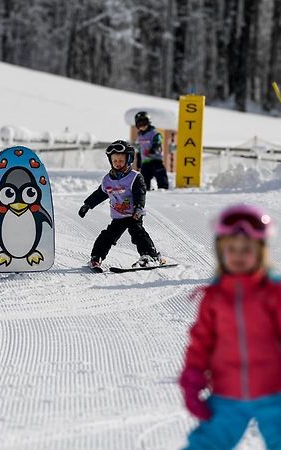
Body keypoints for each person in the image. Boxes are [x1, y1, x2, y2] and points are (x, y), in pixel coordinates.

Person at [179, 204, 281, 449]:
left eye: (246, 249)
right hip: (227, 394)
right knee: (206, 443)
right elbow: (201, 341)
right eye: (231, 249)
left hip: (274, 393)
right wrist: (193, 376)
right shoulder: (214, 297)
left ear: (260, 252)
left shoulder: (273, 293)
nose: (238, 255)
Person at [78, 140, 163, 269]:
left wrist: (139, 208)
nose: (117, 164)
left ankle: (149, 256)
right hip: (118, 216)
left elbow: (140, 194)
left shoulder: (135, 177)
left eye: (121, 161)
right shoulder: (107, 180)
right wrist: (87, 205)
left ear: (128, 160)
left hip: (134, 214)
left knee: (138, 233)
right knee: (107, 236)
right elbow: (100, 194)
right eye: (115, 161)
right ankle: (96, 257)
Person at [134, 111, 169, 190]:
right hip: (145, 162)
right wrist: (139, 161)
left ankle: (163, 189)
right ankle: (145, 191)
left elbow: (158, 143)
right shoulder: (140, 135)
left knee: (160, 175)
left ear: (148, 122)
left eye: (144, 123)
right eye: (140, 124)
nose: (142, 126)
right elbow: (140, 148)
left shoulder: (154, 133)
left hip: (155, 160)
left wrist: (153, 150)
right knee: (144, 179)